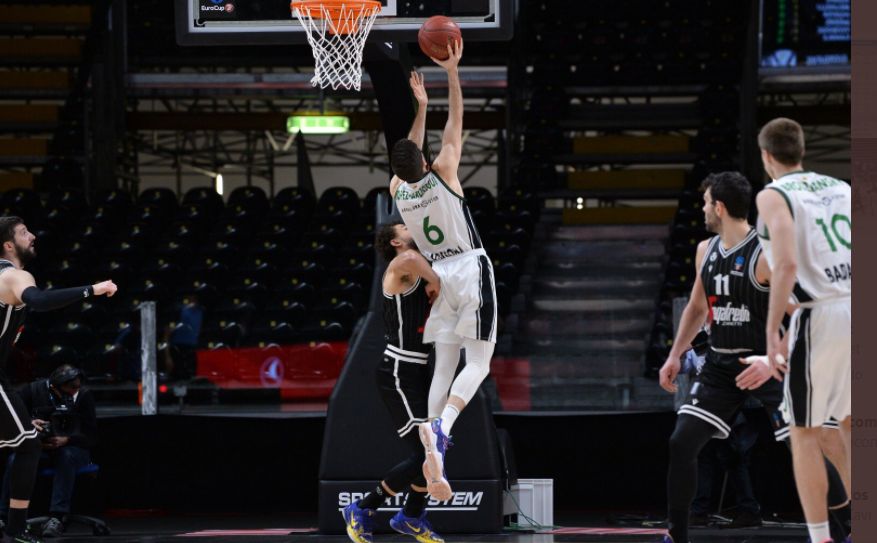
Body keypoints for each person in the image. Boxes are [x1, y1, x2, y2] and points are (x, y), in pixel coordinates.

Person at [657, 173, 849, 543]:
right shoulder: (705, 250)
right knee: (681, 443)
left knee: (806, 447)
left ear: (720, 207)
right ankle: (675, 535)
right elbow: (697, 308)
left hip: (765, 365)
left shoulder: (765, 253)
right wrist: (674, 355)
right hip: (720, 366)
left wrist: (776, 357)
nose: (702, 208)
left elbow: (803, 310)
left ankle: (842, 533)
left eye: (705, 202)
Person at [389, 44, 497, 501]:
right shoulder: (446, 171)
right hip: (469, 268)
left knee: (444, 368)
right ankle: (444, 428)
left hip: (442, 279)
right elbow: (457, 125)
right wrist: (451, 75)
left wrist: (420, 108)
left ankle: (435, 456)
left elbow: (409, 154)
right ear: (426, 162)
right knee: (479, 363)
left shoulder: (397, 190)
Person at [754, 118, 852, 543]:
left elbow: (788, 266)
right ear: (802, 148)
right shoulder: (842, 188)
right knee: (851, 424)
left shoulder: (773, 195)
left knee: (804, 432)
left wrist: (773, 328)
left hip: (821, 313)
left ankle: (820, 537)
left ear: (766, 156)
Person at [0, 216, 116, 543]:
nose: (33, 235)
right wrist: (92, 289)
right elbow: (39, 300)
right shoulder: (14, 275)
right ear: (9, 245)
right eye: (24, 232)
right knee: (27, 445)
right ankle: (15, 528)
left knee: (24, 442)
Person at [341, 222, 444, 543]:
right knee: (424, 452)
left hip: (419, 370)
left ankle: (411, 516)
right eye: (403, 225)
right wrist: (438, 282)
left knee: (435, 449)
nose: (410, 225)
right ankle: (362, 507)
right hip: (398, 369)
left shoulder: (416, 267)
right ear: (396, 242)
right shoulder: (402, 263)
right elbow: (422, 267)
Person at [0, 365, 97, 537]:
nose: (75, 391)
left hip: (73, 448)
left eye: (78, 386)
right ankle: (4, 515)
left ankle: (57, 516)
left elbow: (91, 436)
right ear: (55, 387)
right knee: (15, 459)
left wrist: (67, 439)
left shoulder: (84, 396)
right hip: (38, 447)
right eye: (71, 387)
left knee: (66, 457)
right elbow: (10, 417)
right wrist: (30, 427)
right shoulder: (32, 391)